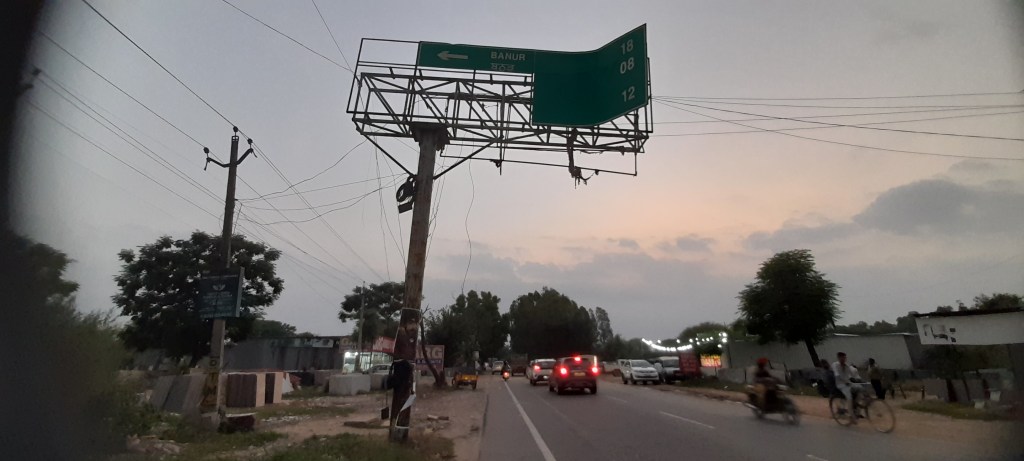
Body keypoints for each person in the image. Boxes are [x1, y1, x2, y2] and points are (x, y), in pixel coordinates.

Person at [831, 352, 863, 419]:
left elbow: (852, 374)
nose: (844, 359)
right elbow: (837, 375)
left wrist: (857, 380)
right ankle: (851, 414)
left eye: (845, 357)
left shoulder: (847, 366)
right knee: (849, 397)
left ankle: (856, 408)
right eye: (842, 357)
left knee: (860, 391)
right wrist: (845, 381)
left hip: (848, 384)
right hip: (840, 385)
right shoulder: (835, 365)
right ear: (839, 358)